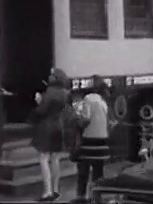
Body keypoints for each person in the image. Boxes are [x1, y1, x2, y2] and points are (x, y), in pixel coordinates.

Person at [31, 68, 70, 201]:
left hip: (46, 127)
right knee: (55, 158)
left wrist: (39, 101)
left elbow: (42, 110)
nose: (49, 76)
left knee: (43, 157)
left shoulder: (50, 92)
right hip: (58, 126)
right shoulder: (64, 93)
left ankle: (47, 191)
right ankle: (56, 189)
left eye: (51, 74)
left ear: (55, 77)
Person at [71, 75, 111, 204]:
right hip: (102, 141)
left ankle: (81, 197)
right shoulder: (103, 101)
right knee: (98, 172)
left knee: (83, 170)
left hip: (90, 141)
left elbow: (86, 118)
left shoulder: (89, 98)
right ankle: (97, 197)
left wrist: (77, 119)